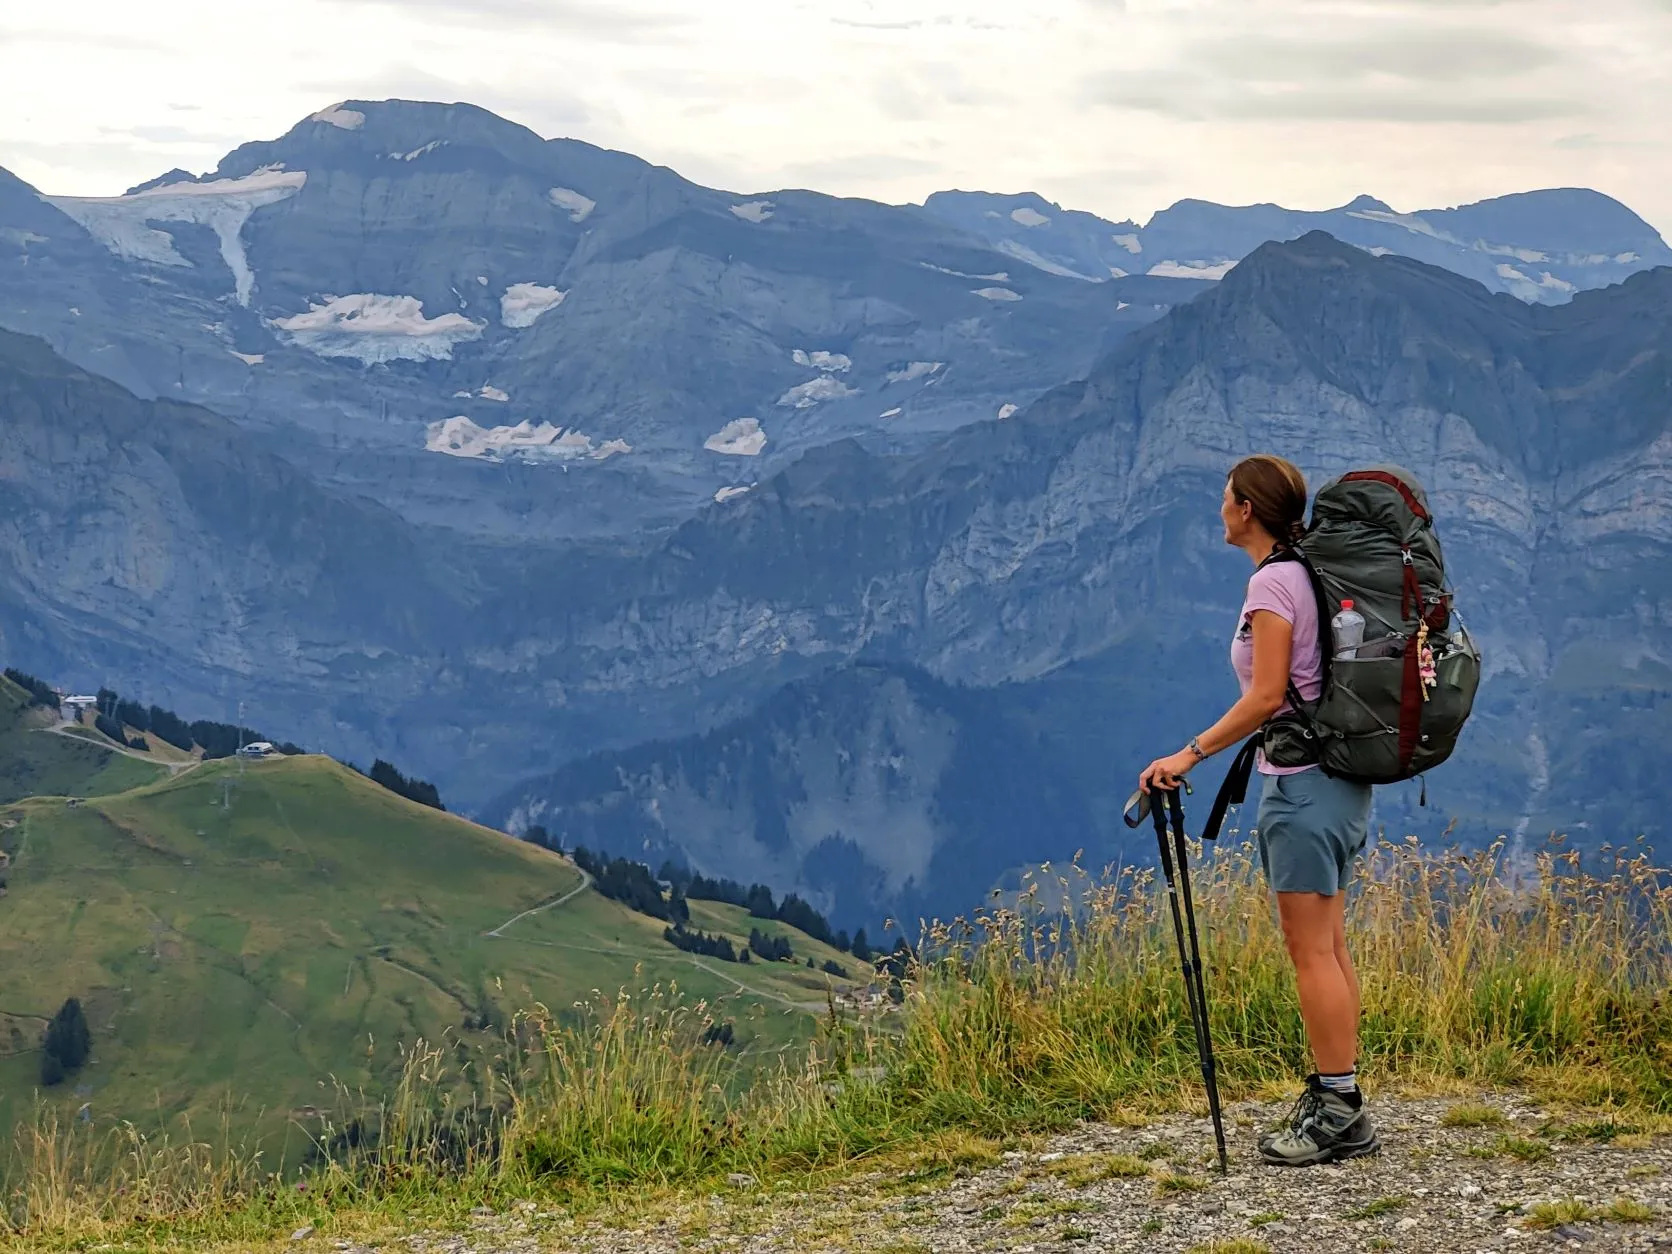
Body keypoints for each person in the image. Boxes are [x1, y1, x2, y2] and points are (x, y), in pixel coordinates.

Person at [1138, 454, 1378, 1167]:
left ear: (1246, 508)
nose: (1220, 510)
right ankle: (1341, 1096)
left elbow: (1268, 694)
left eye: (1225, 499)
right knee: (1328, 946)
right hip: (1335, 780)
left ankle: (1339, 1110)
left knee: (1311, 951)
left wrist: (1189, 753)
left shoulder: (1273, 583)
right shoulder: (1307, 571)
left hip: (1302, 787)